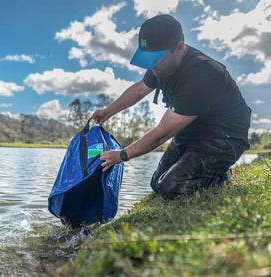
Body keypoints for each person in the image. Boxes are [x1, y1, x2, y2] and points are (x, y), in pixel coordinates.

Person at [92, 14, 251, 199]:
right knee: (156, 183)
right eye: (147, 59)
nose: (152, 67)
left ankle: (219, 174)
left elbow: (163, 132)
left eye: (156, 59)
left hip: (223, 137)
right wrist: (107, 112)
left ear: (180, 48)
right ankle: (209, 172)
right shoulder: (161, 66)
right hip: (192, 130)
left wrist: (123, 155)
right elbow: (140, 88)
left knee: (171, 188)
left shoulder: (201, 76)